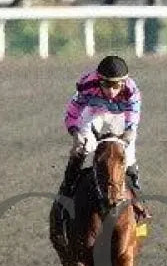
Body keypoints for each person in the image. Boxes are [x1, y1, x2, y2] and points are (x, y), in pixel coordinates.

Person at [61, 54, 148, 218]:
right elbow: (72, 113)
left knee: (128, 155)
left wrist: (128, 133)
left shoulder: (131, 91)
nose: (111, 91)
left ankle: (138, 199)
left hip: (120, 115)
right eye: (107, 85)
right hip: (94, 112)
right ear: (99, 80)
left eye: (116, 86)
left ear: (123, 82)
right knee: (83, 147)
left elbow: (132, 119)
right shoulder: (87, 84)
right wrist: (75, 133)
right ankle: (66, 192)